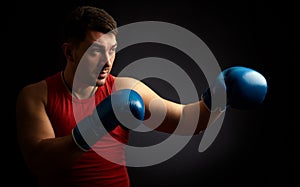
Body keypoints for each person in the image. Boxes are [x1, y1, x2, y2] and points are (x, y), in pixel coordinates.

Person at [16, 5, 267, 187]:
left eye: (112, 50)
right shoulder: (37, 95)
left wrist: (219, 96)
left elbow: (188, 120)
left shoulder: (123, 89)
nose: (107, 61)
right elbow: (40, 163)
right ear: (69, 53)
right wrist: (96, 125)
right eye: (96, 51)